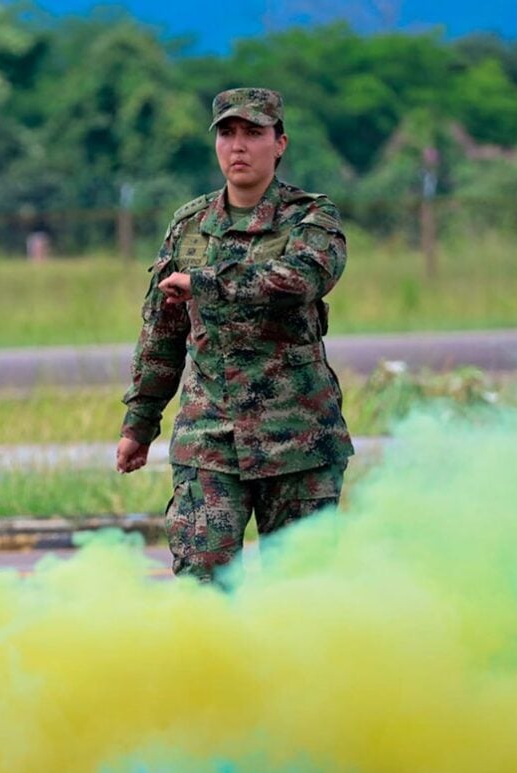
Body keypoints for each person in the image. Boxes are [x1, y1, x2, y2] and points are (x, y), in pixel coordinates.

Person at [116, 87, 354, 582]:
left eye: (253, 133)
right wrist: (139, 422)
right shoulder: (188, 225)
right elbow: (162, 331)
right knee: (203, 585)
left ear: (280, 143)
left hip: (298, 440)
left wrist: (205, 282)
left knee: (302, 593)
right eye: (227, 133)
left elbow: (300, 279)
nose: (238, 146)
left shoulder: (313, 217)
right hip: (210, 438)